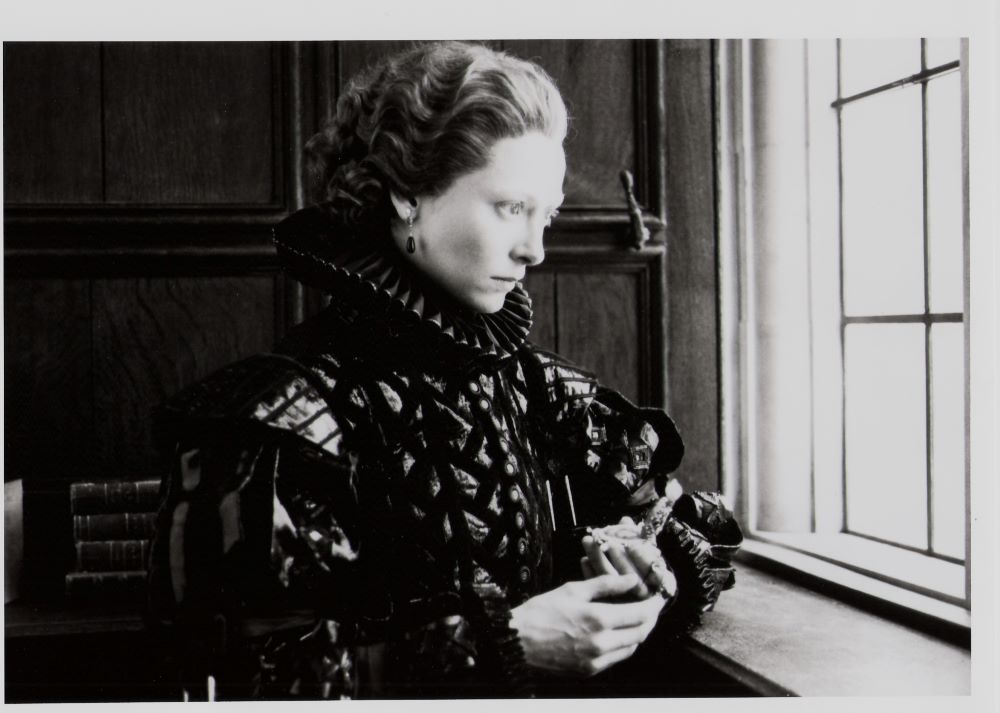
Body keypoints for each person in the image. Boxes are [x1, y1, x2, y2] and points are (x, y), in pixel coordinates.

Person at [146, 41, 742, 700]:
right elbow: (228, 680)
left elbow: (688, 525)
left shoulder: (542, 389)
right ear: (407, 194)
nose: (535, 249)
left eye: (548, 214)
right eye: (511, 207)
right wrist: (503, 640)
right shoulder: (277, 419)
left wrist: (643, 571)